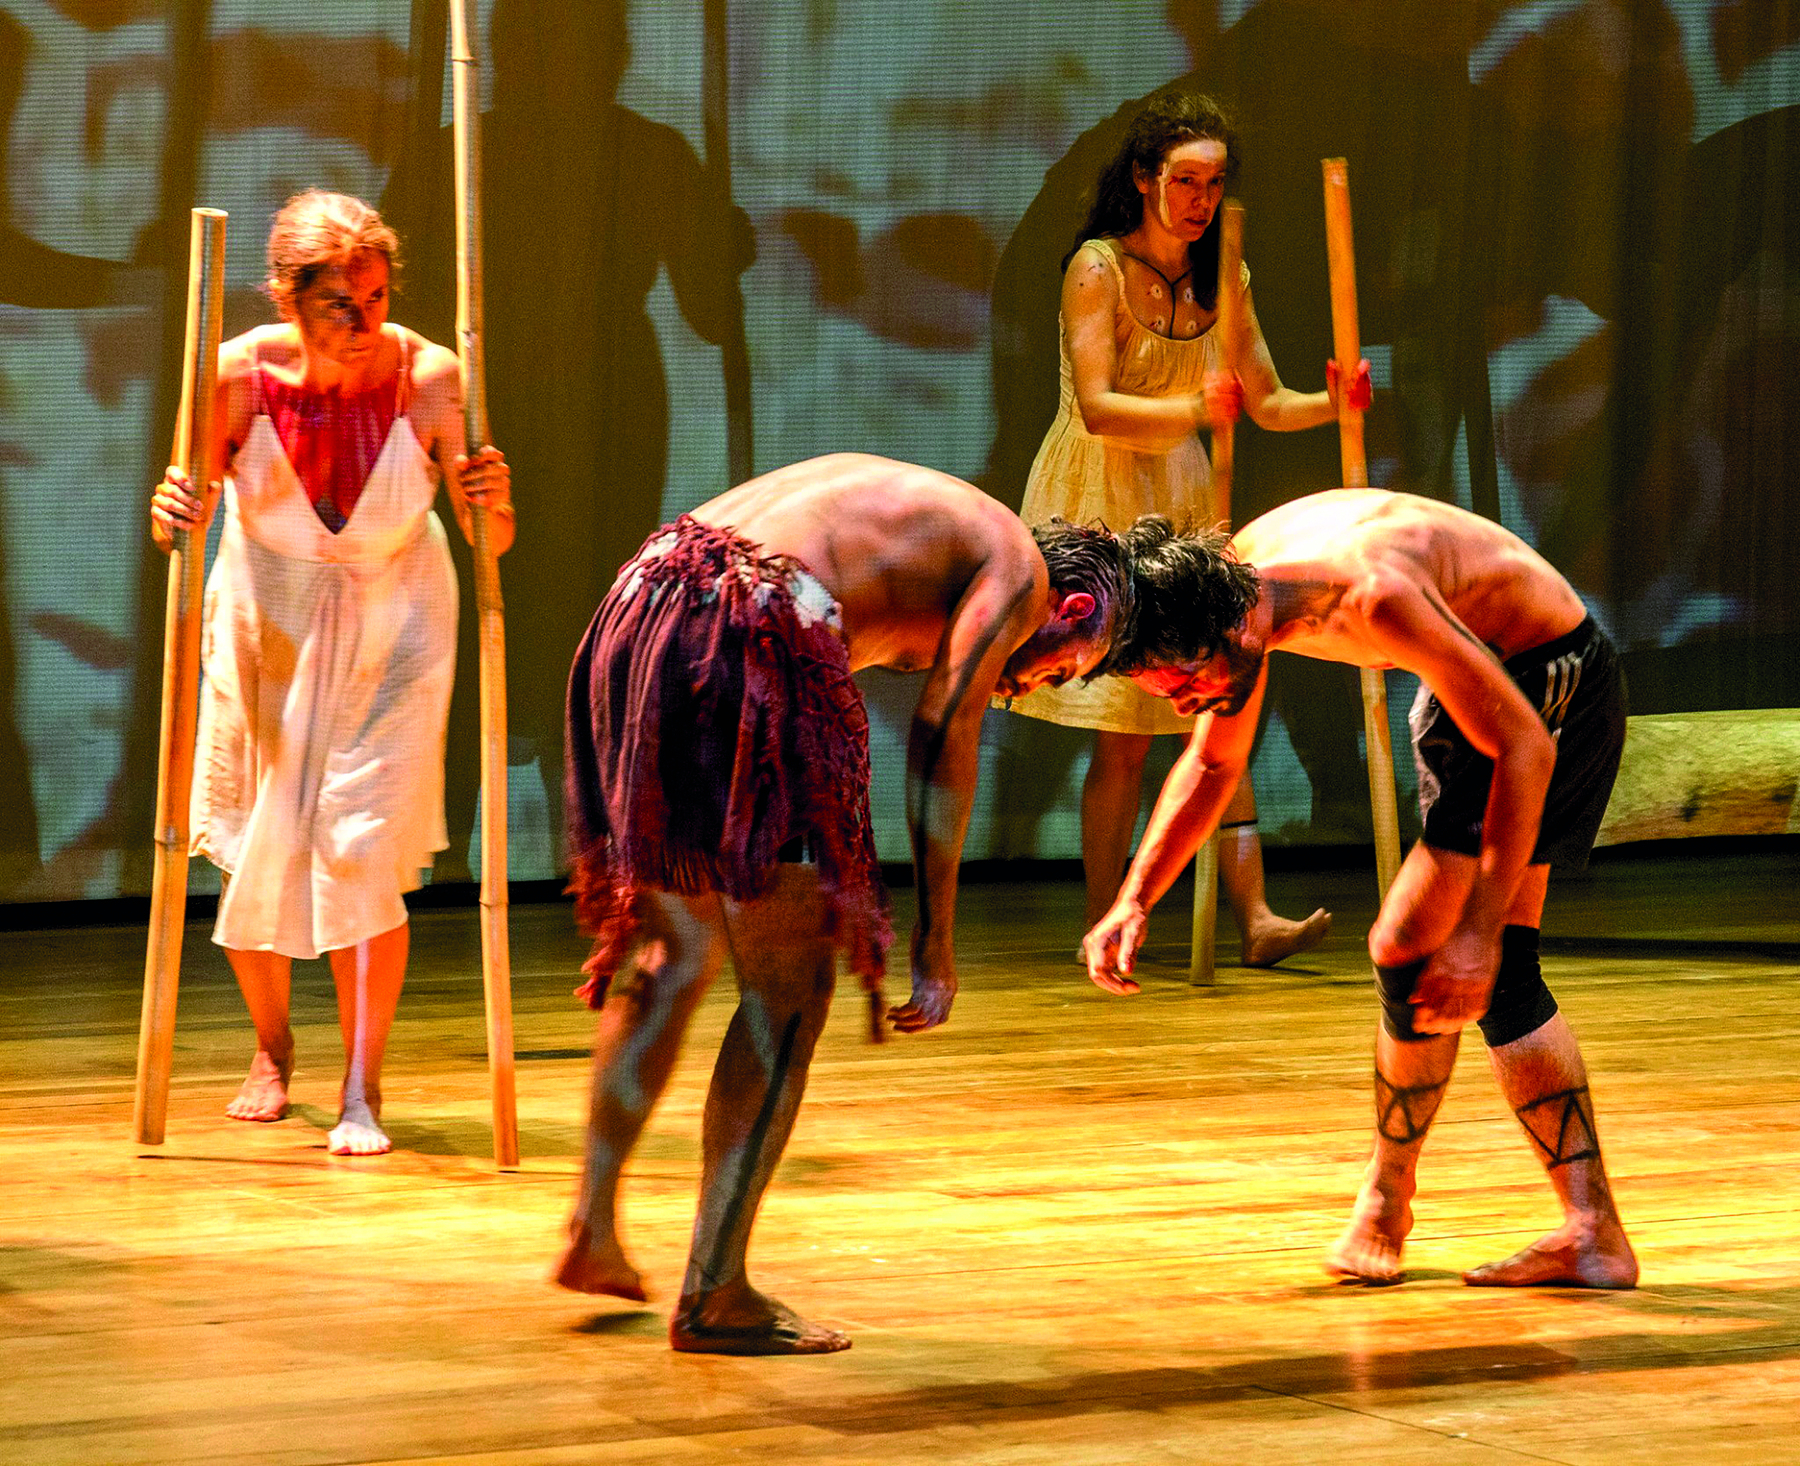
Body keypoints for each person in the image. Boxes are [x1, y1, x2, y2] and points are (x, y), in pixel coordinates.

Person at [555, 452, 1134, 1354]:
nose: (1032, 687)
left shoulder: (943, 528)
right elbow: (945, 729)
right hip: (750, 622)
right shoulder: (1017, 570)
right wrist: (937, 940)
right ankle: (715, 1293)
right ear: (1075, 611)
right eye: (1062, 670)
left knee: (677, 949)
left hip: (642, 598)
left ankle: (591, 1223)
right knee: (788, 993)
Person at [1084, 491, 1638, 1290]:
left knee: (1431, 951)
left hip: (1549, 687)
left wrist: (1478, 931)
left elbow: (1524, 745)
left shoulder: (1371, 593)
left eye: (1186, 687)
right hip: (1472, 682)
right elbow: (1211, 764)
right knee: (1439, 961)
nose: (1186, 705)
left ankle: (1398, 1201)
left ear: (1231, 634)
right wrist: (1134, 898)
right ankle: (1559, 1227)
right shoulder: (1233, 584)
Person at [149, 191, 513, 1157]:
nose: (362, 326)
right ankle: (273, 1051)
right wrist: (172, 504)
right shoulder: (231, 378)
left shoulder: (431, 378)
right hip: (266, 623)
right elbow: (174, 520)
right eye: (336, 306)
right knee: (263, 842)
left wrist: (493, 502)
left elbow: (491, 539)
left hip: (397, 628)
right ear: (285, 298)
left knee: (359, 847)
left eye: (378, 298)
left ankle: (364, 1085)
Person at [1001, 90, 1367, 964]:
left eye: (1214, 183)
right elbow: (1096, 408)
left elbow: (1265, 400)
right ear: (1143, 179)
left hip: (1182, 502)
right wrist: (1192, 406)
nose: (1201, 200)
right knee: (1125, 733)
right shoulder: (1096, 268)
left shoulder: (1224, 272)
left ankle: (1253, 917)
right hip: (1101, 501)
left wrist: (1333, 404)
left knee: (1216, 701)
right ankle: (1107, 919)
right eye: (1185, 180)